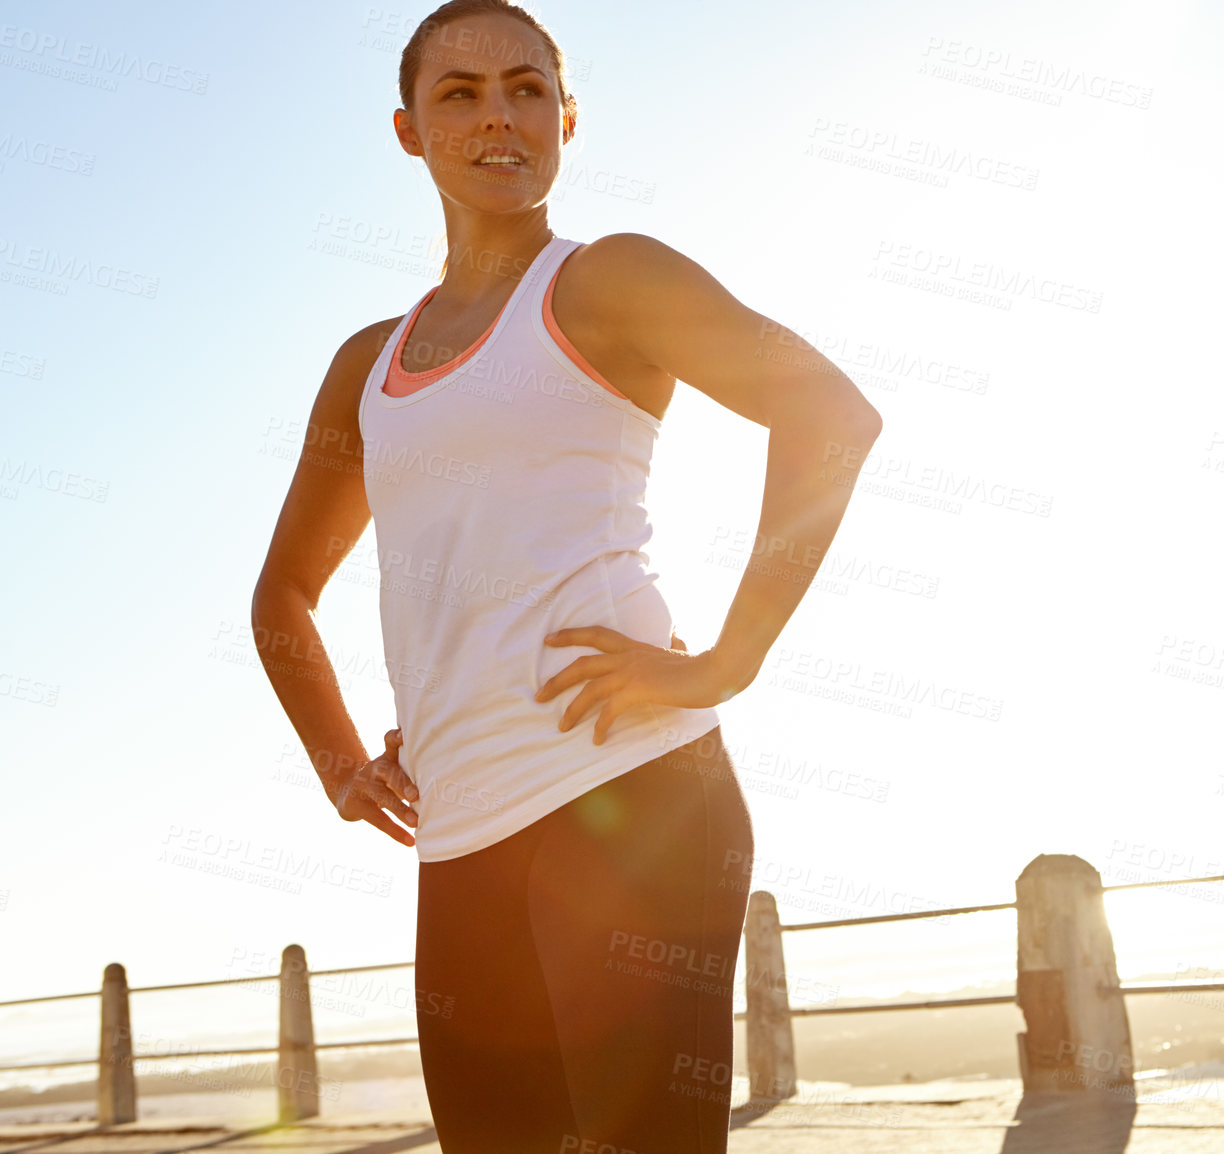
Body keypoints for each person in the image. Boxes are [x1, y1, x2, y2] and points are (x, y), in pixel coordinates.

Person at [248, 1, 883, 1149]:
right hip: (458, 833)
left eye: (527, 88)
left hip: (635, 796)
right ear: (408, 131)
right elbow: (283, 590)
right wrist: (342, 762)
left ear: (566, 118)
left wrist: (726, 663)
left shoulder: (610, 282)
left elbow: (831, 414)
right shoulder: (365, 365)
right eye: (460, 93)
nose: (500, 115)